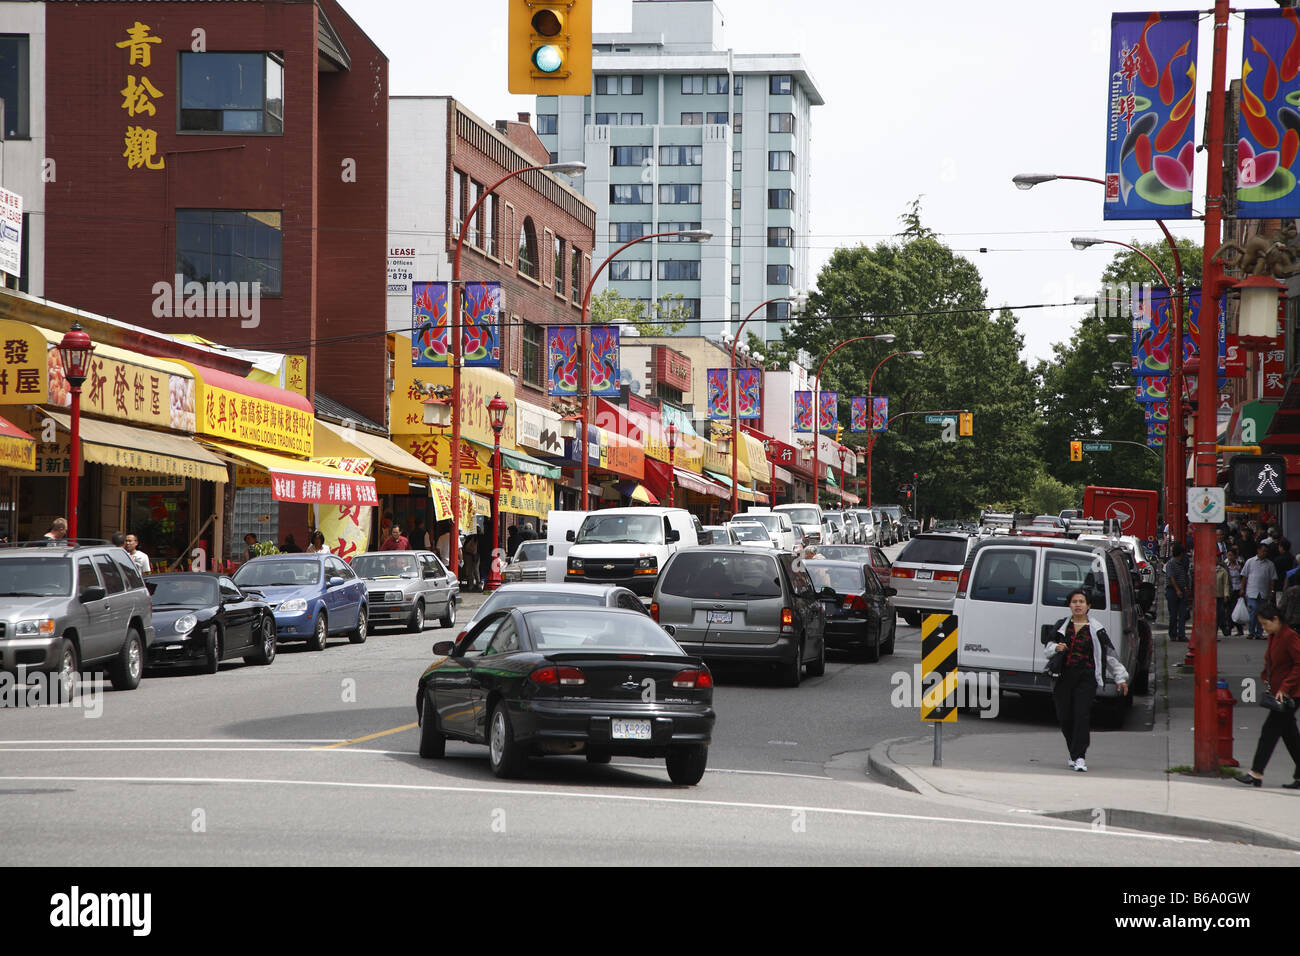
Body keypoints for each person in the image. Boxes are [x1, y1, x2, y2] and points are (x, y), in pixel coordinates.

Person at [1042, 588, 1130, 773]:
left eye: (1081, 602)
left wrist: (1120, 678)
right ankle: (1074, 753)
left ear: (1088, 606)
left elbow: (1109, 656)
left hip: (1086, 677)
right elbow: (1047, 649)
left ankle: (1080, 756)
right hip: (1063, 677)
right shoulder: (1061, 626)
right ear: (1069, 605)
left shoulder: (1097, 629)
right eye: (1074, 602)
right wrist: (1056, 648)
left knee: (1081, 715)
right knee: (1065, 717)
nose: (1078, 605)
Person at [1234, 603, 1300, 789]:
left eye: (1265, 624)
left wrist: (1286, 686)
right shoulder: (1274, 636)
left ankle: (1256, 772)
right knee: (1290, 735)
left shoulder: (1289, 637)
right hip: (1280, 691)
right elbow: (1271, 660)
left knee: (1269, 732)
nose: (1263, 628)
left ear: (1276, 620)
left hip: (1291, 693)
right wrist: (1266, 676)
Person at [1242, 543, 1279, 640]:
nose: (1265, 553)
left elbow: (1272, 579)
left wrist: (1271, 591)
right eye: (1263, 551)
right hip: (1251, 591)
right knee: (1253, 610)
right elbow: (1244, 576)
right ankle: (1251, 631)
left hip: (1263, 592)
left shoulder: (1270, 564)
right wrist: (1242, 589)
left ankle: (1259, 632)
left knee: (1262, 613)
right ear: (1258, 550)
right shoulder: (1250, 562)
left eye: (1266, 551)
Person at [1164, 544, 1189, 642]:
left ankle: (1181, 634)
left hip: (1182, 589)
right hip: (1172, 590)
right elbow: (1171, 577)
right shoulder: (1171, 563)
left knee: (1182, 613)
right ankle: (1173, 634)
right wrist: (1177, 589)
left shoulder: (1183, 563)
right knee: (1173, 614)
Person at [1226, 547, 1245, 636]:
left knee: (1235, 609)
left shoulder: (1240, 565)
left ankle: (1239, 628)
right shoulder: (1226, 565)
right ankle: (1229, 628)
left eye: (1231, 555)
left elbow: (1244, 577)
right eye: (1228, 555)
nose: (1230, 557)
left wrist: (1242, 589)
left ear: (1235, 556)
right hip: (1229, 589)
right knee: (1229, 610)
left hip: (1237, 589)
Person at [1216, 559, 1231, 639]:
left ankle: (1222, 626)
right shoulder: (1207, 569)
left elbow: (1226, 584)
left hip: (1219, 596)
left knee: (1219, 613)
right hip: (1209, 597)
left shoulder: (1223, 571)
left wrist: (1226, 595)